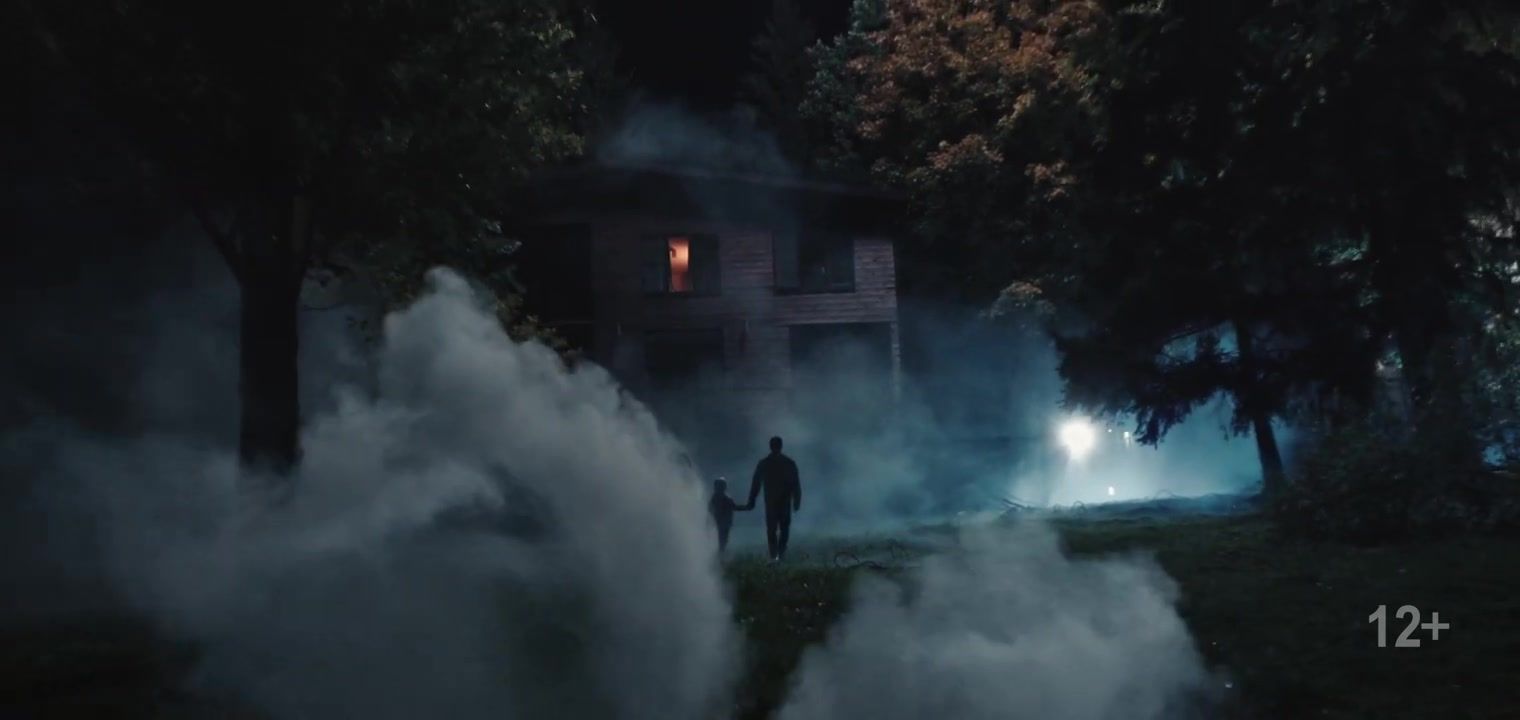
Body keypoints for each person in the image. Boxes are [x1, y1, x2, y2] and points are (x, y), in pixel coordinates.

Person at [745, 436, 801, 563]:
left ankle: (775, 555)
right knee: (782, 529)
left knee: (774, 529)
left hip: (773, 501)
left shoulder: (765, 463)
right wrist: (796, 500)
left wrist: (752, 500)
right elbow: (795, 484)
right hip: (781, 501)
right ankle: (778, 554)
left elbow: (756, 484)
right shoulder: (788, 463)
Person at [708, 477, 746, 554]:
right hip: (723, 523)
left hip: (721, 523)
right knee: (723, 541)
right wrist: (746, 507)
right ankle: (720, 555)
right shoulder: (724, 498)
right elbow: (734, 507)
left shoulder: (715, 497)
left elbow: (710, 510)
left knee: (722, 541)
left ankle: (720, 554)